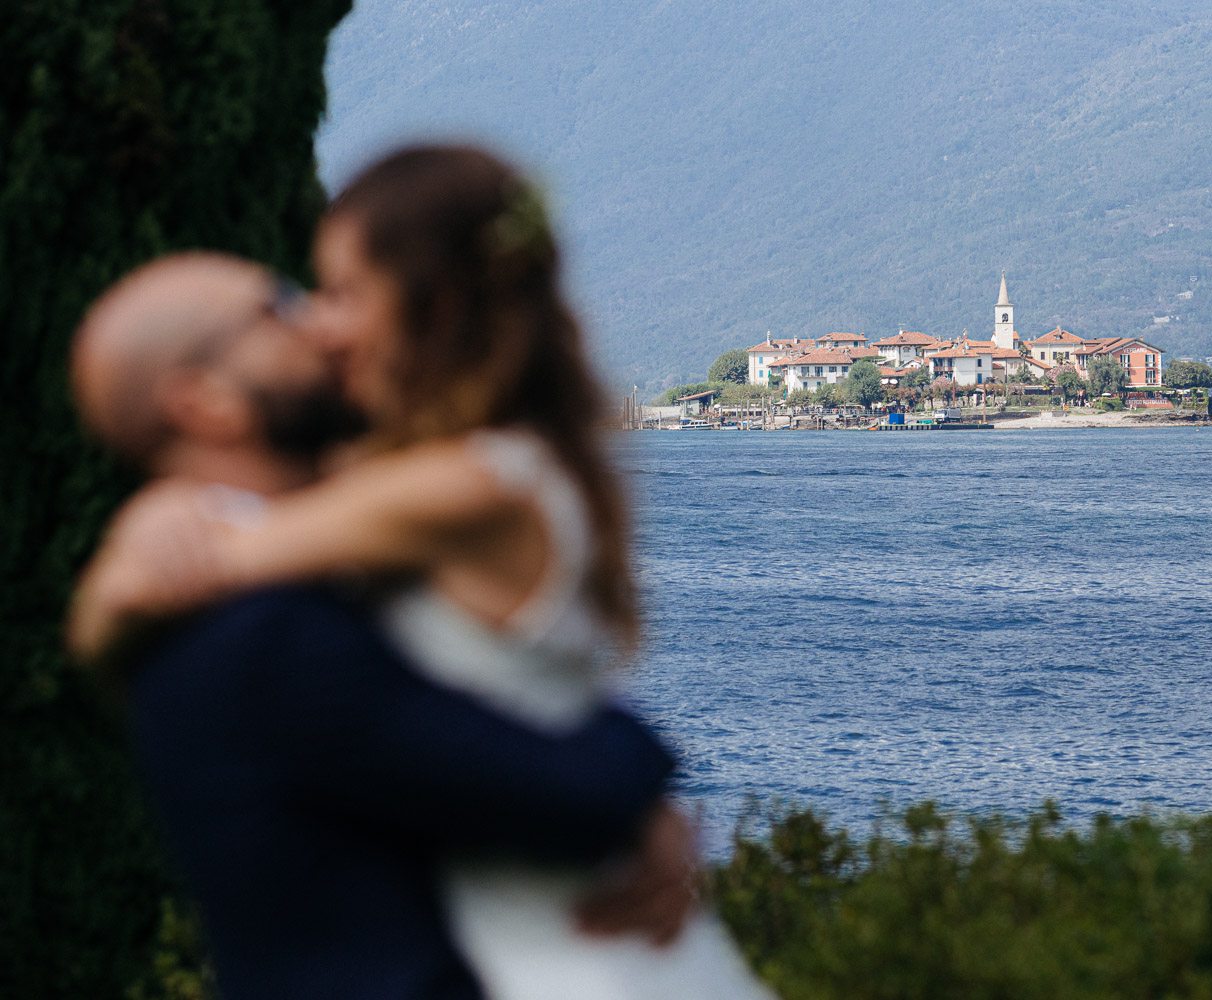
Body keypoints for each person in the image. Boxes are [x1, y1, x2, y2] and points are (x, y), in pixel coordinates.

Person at [73, 146, 774, 999]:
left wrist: (121, 577)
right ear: (204, 400)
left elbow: (481, 731)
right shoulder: (275, 632)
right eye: (286, 304)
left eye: (334, 295)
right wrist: (638, 785)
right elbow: (558, 787)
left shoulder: (416, 502)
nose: (322, 326)